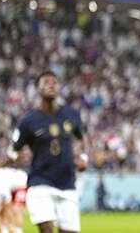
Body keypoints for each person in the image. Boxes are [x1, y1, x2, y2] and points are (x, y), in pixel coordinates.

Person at [13, 71, 89, 233]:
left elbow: (82, 138)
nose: (51, 85)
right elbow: (13, 149)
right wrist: (16, 156)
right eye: (46, 82)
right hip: (40, 182)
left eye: (54, 82)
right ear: (38, 89)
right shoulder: (28, 121)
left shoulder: (71, 114)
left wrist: (83, 157)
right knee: (46, 230)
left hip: (67, 183)